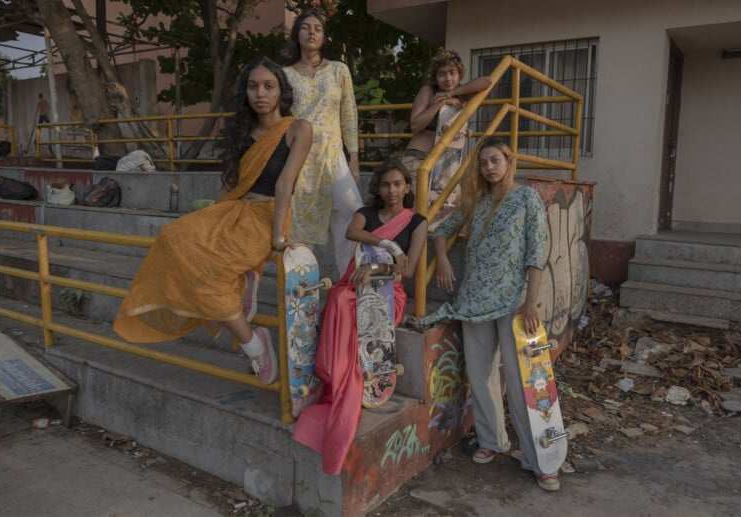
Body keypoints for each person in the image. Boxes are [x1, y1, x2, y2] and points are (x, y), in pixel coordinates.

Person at [114, 56, 312, 385]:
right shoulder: (243, 131)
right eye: (253, 86)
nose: (260, 93)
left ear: (281, 91)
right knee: (173, 235)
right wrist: (207, 222)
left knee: (211, 279)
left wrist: (278, 239)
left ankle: (254, 346)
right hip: (233, 209)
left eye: (269, 86)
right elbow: (231, 183)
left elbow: (284, 184)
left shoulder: (298, 129)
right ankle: (243, 286)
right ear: (245, 93)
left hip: (265, 218)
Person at [421, 136, 560, 492]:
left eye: (495, 160)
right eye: (483, 162)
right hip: (473, 302)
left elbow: (536, 250)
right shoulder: (477, 202)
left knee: (520, 382)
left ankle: (539, 459)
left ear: (509, 161)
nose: (489, 167)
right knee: (480, 376)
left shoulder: (526, 198)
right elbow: (441, 230)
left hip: (513, 302)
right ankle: (492, 440)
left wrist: (531, 302)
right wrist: (443, 259)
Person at [293, 159, 428, 475]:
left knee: (347, 302)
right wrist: (388, 244)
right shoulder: (366, 215)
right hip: (356, 284)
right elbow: (353, 232)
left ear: (407, 188)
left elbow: (405, 269)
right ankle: (337, 376)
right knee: (339, 297)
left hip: (386, 293)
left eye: (398, 184)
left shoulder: (417, 221)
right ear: (377, 188)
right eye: (385, 184)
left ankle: (343, 382)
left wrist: (378, 268)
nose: (392, 190)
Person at [282, 9, 363, 275]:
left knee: (351, 210)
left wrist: (353, 158)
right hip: (298, 159)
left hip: (333, 156)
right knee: (299, 226)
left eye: (317, 27)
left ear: (324, 36)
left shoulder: (339, 70)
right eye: (305, 27)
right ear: (297, 34)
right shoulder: (284, 74)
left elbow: (349, 114)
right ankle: (304, 303)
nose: (312, 31)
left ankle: (349, 287)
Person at [401, 48, 492, 206]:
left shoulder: (462, 94)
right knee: (421, 211)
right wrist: (440, 103)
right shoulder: (428, 91)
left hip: (446, 164)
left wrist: (452, 94)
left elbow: (487, 82)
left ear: (459, 75)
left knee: (446, 211)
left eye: (452, 72)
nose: (448, 78)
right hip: (419, 160)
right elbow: (415, 124)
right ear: (435, 78)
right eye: (442, 74)